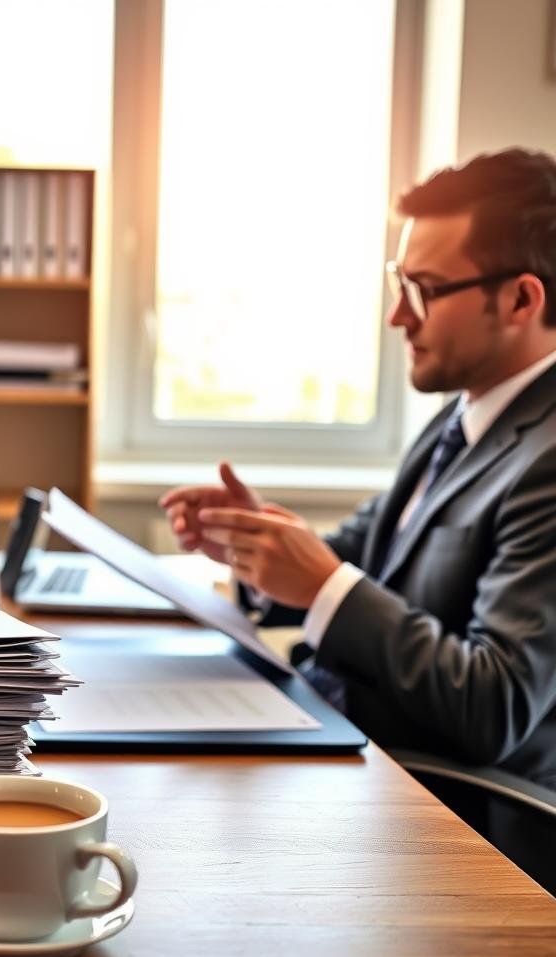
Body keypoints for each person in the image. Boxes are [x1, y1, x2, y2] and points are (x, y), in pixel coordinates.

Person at [160, 147, 556, 791]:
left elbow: (496, 703)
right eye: (402, 286)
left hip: (450, 816)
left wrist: (322, 587)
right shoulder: (464, 417)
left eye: (424, 291)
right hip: (363, 753)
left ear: (520, 299)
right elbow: (368, 556)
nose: (398, 316)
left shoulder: (547, 460)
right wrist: (254, 543)